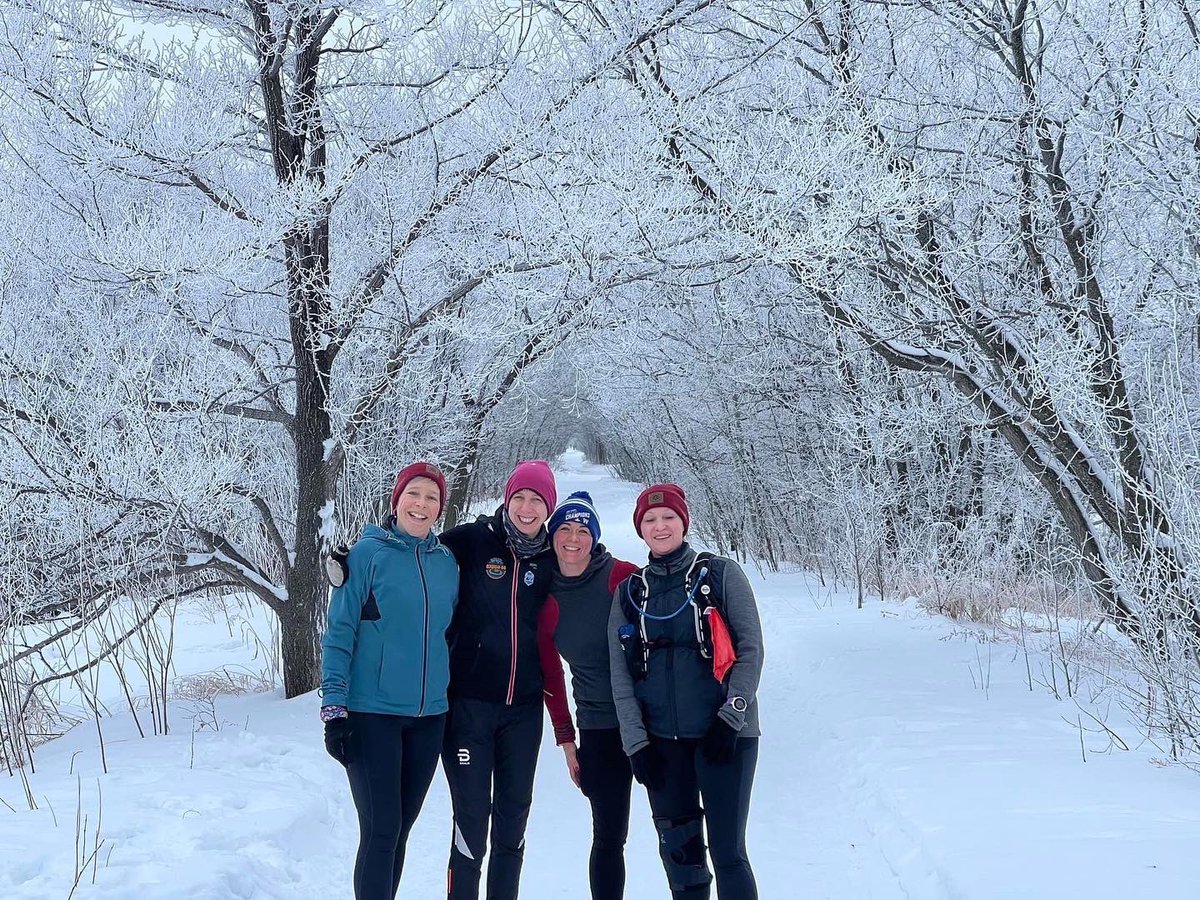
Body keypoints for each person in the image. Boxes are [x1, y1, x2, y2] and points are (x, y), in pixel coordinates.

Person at [608, 484, 765, 900]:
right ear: (640, 529)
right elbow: (620, 675)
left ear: (684, 522)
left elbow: (751, 649)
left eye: (668, 518)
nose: (660, 526)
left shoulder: (720, 574)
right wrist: (636, 745)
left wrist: (732, 716)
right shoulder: (630, 592)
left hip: (725, 738)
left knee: (729, 854)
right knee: (682, 858)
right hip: (663, 744)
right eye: (650, 520)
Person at [320, 461, 460, 900]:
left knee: (400, 830)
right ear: (396, 499)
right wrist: (334, 709)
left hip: (428, 717)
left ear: (440, 508)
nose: (421, 504)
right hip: (371, 714)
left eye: (432, 497)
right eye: (413, 494)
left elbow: (449, 632)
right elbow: (339, 633)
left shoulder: (446, 564)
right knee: (381, 829)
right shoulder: (365, 556)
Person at [439, 460, 576, 900]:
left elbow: (593, 570)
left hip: (523, 713)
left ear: (548, 507)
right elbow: (412, 547)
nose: (527, 507)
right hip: (469, 709)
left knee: (513, 823)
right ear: (506, 498)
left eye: (537, 499)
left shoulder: (550, 559)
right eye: (519, 496)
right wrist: (358, 558)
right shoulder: (472, 542)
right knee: (472, 823)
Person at [544, 491, 639, 900]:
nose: (572, 537)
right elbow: (550, 673)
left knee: (680, 827)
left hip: (652, 720)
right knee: (609, 837)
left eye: (583, 529)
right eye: (564, 527)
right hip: (599, 728)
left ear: (594, 537)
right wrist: (567, 741)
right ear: (552, 535)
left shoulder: (623, 577)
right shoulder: (546, 596)